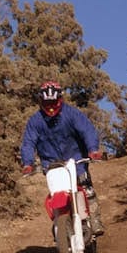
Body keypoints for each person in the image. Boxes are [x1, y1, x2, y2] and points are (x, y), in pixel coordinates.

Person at [20, 81, 105, 236]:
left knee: (86, 189)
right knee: (56, 194)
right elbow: (28, 142)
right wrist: (27, 163)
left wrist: (93, 150)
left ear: (60, 99)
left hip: (76, 160)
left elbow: (87, 130)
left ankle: (95, 220)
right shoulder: (35, 121)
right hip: (52, 164)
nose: (51, 107)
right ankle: (60, 224)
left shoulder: (72, 114)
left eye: (53, 102)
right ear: (41, 101)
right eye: (47, 103)